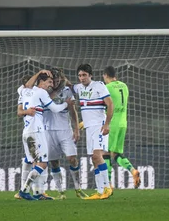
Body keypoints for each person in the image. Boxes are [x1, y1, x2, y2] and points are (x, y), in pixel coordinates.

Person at [17, 72, 73, 200]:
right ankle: (24, 190)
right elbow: (55, 109)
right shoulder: (41, 92)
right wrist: (66, 104)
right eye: (49, 82)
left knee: (36, 163)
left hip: (27, 132)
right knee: (42, 164)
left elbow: (26, 87)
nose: (51, 85)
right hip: (36, 131)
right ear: (41, 81)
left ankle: (37, 193)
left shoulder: (24, 91)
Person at [73, 64, 114, 200]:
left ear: (90, 75)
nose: (82, 78)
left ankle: (107, 188)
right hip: (89, 128)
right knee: (94, 159)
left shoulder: (99, 86)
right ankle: (100, 190)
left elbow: (110, 104)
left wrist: (107, 124)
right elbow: (68, 85)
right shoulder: (79, 88)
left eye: (84, 75)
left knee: (97, 156)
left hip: (99, 126)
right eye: (80, 75)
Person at [45, 68, 87, 199]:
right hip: (48, 130)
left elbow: (73, 110)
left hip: (65, 130)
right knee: (54, 162)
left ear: (61, 79)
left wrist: (76, 129)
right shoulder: (44, 91)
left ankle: (77, 188)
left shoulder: (67, 90)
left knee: (72, 158)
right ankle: (60, 191)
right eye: (53, 80)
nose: (55, 82)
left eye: (58, 80)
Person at [102, 66, 140, 189]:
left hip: (112, 123)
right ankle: (133, 170)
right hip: (123, 122)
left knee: (106, 153)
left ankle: (107, 183)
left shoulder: (106, 88)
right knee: (116, 153)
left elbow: (104, 105)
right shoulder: (124, 86)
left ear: (105, 76)